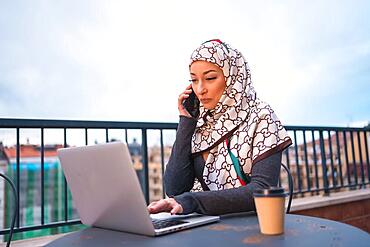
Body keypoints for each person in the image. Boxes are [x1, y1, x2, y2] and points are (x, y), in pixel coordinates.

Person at [147, 39, 292, 216]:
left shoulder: (261, 116)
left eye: (210, 78)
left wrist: (193, 201)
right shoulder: (201, 123)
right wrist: (186, 122)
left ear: (232, 77)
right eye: (193, 80)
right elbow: (175, 189)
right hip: (206, 225)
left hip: (254, 227)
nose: (200, 89)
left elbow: (262, 191)